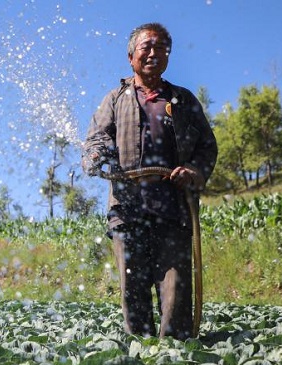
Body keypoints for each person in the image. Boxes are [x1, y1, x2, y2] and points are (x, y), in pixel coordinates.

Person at [82, 22, 217, 340]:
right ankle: (140, 355)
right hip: (127, 211)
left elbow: (207, 147)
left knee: (176, 290)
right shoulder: (115, 99)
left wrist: (194, 171)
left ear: (168, 56)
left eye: (161, 48)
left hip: (174, 209)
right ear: (131, 57)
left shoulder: (183, 100)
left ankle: (177, 357)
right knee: (133, 290)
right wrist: (99, 156)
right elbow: (95, 140)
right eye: (146, 47)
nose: (153, 53)